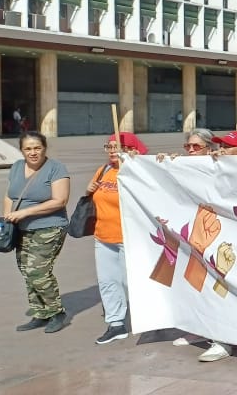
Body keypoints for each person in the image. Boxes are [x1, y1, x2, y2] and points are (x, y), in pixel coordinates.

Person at [7, 132, 71, 334]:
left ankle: (56, 312)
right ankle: (40, 312)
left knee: (38, 271)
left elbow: (59, 200)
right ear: (21, 150)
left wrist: (25, 212)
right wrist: (6, 218)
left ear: (44, 148)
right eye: (28, 148)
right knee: (26, 270)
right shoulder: (17, 167)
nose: (33, 152)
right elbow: (10, 195)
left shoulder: (56, 168)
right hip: (21, 228)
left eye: (37, 148)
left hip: (49, 227)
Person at [89, 132, 147, 345]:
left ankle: (151, 321)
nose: (112, 150)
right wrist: (89, 190)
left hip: (128, 238)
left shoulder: (138, 172)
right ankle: (116, 324)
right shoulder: (103, 170)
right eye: (109, 146)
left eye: (117, 146)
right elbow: (92, 195)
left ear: (131, 148)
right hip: (103, 236)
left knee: (129, 282)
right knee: (107, 282)